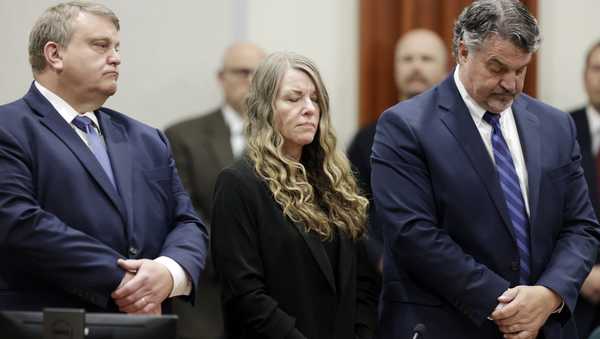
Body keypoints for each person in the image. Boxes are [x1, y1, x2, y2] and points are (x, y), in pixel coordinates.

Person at [372, 1, 600, 338]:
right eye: (497, 67)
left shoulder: (555, 126)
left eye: (520, 70)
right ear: (464, 52)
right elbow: (413, 235)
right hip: (450, 325)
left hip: (545, 326)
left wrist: (549, 295)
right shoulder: (405, 126)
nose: (510, 84)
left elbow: (580, 225)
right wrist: (505, 304)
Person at [0, 1, 207, 315]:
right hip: (50, 323)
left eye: (117, 47)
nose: (116, 58)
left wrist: (168, 273)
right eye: (101, 46)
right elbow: (19, 222)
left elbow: (187, 221)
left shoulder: (147, 139)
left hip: (146, 328)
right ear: (54, 54)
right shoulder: (10, 128)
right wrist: (124, 281)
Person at [211, 52, 379, 339]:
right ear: (266, 108)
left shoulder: (334, 182)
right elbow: (246, 295)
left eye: (315, 99)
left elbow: (363, 282)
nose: (309, 108)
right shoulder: (238, 184)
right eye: (294, 98)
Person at [165, 42, 265, 339]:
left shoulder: (290, 138)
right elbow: (182, 210)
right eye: (242, 72)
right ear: (221, 78)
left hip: (273, 299)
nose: (250, 80)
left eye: (258, 74)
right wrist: (237, 257)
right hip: (207, 294)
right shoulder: (183, 136)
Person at [347, 29, 447, 271]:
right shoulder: (366, 139)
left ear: (446, 70)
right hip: (384, 276)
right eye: (407, 58)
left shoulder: (465, 135)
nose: (416, 66)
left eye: (426, 58)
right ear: (395, 68)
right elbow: (350, 207)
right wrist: (379, 258)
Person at [572, 40, 600, 338]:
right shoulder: (557, 129)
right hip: (571, 295)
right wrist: (581, 272)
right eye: (598, 69)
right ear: (584, 76)